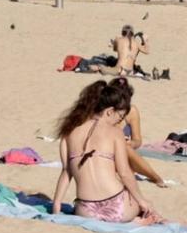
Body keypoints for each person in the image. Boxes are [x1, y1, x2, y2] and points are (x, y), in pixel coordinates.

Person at [51, 80, 162, 223]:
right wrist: (142, 201)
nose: (118, 121)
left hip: (86, 210)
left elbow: (66, 172)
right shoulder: (115, 132)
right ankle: (142, 220)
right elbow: (124, 173)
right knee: (145, 205)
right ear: (109, 111)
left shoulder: (68, 132)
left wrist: (56, 204)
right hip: (118, 207)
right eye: (120, 117)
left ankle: (137, 220)